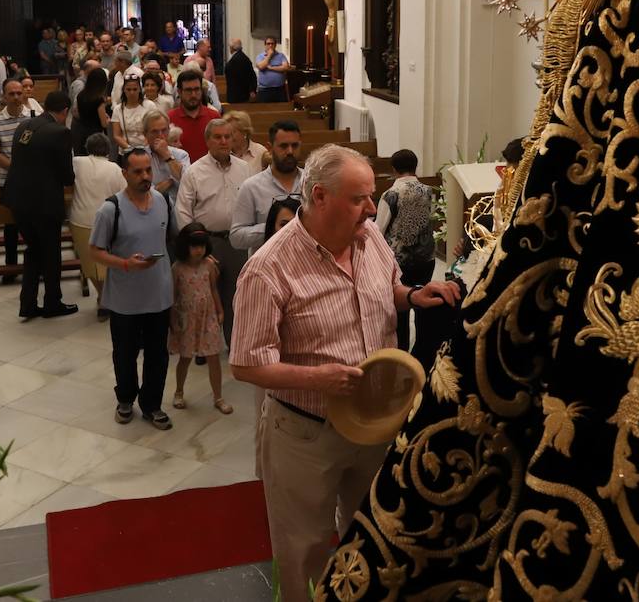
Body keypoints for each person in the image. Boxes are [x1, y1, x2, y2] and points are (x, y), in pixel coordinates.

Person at [230, 145, 460, 602]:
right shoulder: (268, 269)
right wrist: (317, 379)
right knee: (305, 550)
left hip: (375, 422)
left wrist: (413, 296)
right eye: (360, 199)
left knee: (371, 531)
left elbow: (388, 288)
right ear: (319, 197)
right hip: (306, 432)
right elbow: (246, 363)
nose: (372, 209)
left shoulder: (370, 236)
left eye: (371, 197)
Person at [89, 148, 175, 429]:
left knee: (157, 354)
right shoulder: (110, 209)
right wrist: (125, 264)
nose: (145, 176)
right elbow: (95, 251)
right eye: (137, 171)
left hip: (158, 295)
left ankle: (152, 404)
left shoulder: (162, 201)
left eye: (148, 170)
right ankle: (125, 399)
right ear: (124, 173)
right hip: (125, 298)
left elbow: (170, 239)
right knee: (124, 353)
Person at [176, 118, 255, 342]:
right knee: (204, 297)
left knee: (236, 295)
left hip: (237, 241)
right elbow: (183, 212)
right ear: (207, 141)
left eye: (227, 137)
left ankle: (234, 341)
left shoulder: (244, 169)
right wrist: (195, 248)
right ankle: (202, 344)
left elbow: (251, 202)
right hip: (207, 243)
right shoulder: (194, 172)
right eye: (217, 137)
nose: (223, 141)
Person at [1, 90, 78, 320]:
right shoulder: (60, 132)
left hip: (17, 200)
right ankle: (53, 302)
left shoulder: (24, 125)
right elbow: (67, 177)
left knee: (33, 250)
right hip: (43, 204)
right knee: (51, 252)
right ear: (64, 111)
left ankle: (28, 304)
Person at [375, 149, 437, 361]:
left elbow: (378, 229)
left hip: (400, 262)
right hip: (426, 258)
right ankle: (423, 353)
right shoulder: (429, 191)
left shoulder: (391, 194)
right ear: (415, 166)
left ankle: (401, 357)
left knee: (400, 311)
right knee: (422, 304)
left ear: (393, 170)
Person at [168, 222, 233, 415]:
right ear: (184, 246)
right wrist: (173, 321)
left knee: (213, 358)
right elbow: (173, 296)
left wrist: (220, 311)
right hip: (186, 320)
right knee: (186, 358)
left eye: (202, 246)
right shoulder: (177, 268)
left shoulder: (210, 265)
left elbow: (213, 289)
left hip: (209, 317)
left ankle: (218, 397)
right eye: (194, 246)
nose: (199, 250)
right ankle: (179, 391)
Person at [70, 132, 126, 316]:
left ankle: (102, 296)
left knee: (89, 263)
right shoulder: (115, 169)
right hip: (107, 220)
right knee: (106, 263)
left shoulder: (76, 163)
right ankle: (107, 298)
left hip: (81, 219)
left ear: (87, 148)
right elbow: (124, 195)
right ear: (109, 150)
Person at [230, 120, 303, 256]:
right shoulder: (252, 187)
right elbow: (236, 237)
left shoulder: (312, 183)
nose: (290, 151)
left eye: (295, 145)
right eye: (283, 146)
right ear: (269, 147)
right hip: (266, 267)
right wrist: (272, 226)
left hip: (305, 265)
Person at [0, 79, 31, 273]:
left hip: (32, 178)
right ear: (4, 96)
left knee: (32, 224)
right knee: (11, 225)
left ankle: (34, 265)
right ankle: (11, 266)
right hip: (9, 179)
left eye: (19, 93)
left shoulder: (32, 117)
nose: (16, 97)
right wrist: (17, 168)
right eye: (11, 94)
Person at [168, 68, 221, 162]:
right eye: (188, 90)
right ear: (179, 92)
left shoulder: (214, 117)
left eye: (197, 90)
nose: (193, 95)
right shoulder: (169, 118)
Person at [144, 110, 189, 199]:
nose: (160, 136)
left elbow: (188, 183)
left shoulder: (181, 155)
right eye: (155, 131)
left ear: (169, 130)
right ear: (145, 133)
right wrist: (170, 181)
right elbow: (143, 191)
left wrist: (168, 156)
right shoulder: (139, 157)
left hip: (178, 207)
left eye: (164, 130)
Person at [111, 75, 158, 154]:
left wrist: (145, 148)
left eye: (135, 89)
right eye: (128, 89)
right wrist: (130, 149)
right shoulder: (118, 109)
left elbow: (155, 130)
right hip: (126, 152)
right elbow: (117, 135)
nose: (132, 92)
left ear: (140, 89)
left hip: (147, 150)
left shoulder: (150, 106)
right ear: (124, 90)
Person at [72, 66, 109, 156]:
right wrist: (107, 118)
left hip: (81, 132)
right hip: (95, 135)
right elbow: (104, 123)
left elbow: (78, 113)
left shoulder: (81, 95)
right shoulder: (99, 99)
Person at [255, 36, 291, 103]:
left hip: (279, 89)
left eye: (272, 43)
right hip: (265, 90)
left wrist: (271, 68)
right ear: (265, 45)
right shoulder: (260, 56)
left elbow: (286, 67)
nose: (270, 45)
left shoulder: (281, 56)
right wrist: (269, 55)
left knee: (281, 111)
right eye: (268, 44)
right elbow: (261, 66)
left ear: (275, 45)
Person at [224, 38, 257, 103]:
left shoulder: (233, 61)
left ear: (232, 48)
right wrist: (252, 90)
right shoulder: (245, 58)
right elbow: (252, 76)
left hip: (235, 95)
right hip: (245, 94)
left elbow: (229, 76)